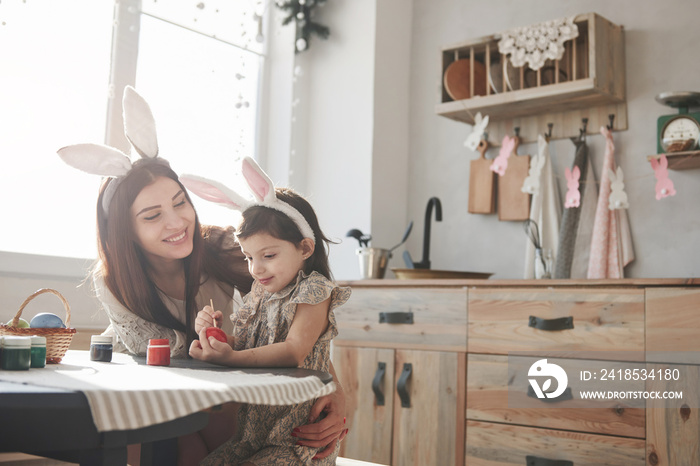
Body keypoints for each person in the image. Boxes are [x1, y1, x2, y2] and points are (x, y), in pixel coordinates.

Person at [57, 86, 348, 465]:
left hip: (226, 401)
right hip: (158, 395)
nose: (177, 222)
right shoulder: (113, 283)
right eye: (152, 215)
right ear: (125, 232)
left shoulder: (231, 252)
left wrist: (335, 390)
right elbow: (169, 368)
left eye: (180, 203)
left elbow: (301, 319)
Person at [183, 157, 350, 465]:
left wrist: (230, 357)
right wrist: (217, 338)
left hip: (296, 441)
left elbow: (292, 351)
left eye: (268, 255)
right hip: (252, 437)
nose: (256, 268)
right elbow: (253, 348)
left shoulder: (314, 291)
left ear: (305, 248)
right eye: (248, 257)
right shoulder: (261, 294)